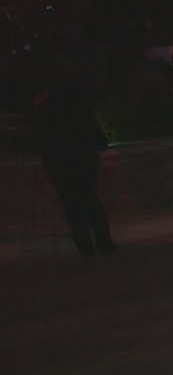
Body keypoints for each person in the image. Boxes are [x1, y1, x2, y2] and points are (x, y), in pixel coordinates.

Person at [30, 77, 114, 256]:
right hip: (84, 163)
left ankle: (84, 245)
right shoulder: (79, 109)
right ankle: (103, 241)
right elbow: (98, 139)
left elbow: (37, 141)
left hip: (59, 166)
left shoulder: (44, 112)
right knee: (91, 200)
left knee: (72, 205)